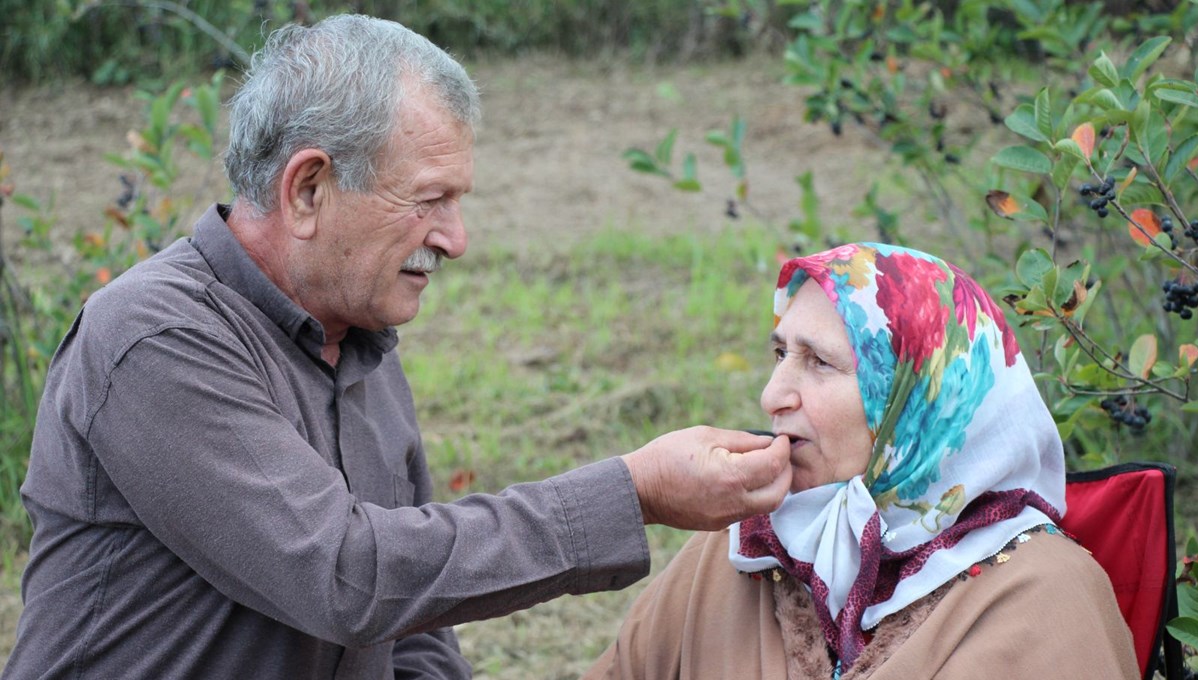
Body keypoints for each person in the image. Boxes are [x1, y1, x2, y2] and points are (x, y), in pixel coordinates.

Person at [3, 15, 792, 679]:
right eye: (429, 200)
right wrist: (633, 493)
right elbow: (346, 577)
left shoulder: (358, 339)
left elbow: (410, 631)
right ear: (308, 190)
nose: (456, 238)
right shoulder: (155, 339)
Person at [584, 242, 1139, 679]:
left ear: (918, 402)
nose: (772, 395)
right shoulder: (734, 549)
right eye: (780, 353)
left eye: (819, 363)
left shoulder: (1046, 600)